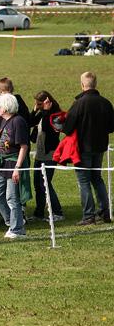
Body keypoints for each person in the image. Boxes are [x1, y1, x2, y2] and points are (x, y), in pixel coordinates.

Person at [62, 72, 114, 225]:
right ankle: (105, 212)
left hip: (83, 148)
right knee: (97, 178)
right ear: (95, 84)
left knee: (83, 181)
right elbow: (111, 126)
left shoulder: (79, 103)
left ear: (82, 84)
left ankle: (88, 215)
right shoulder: (106, 103)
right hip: (100, 146)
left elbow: (68, 128)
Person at [0, 93, 30, 239]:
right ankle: (11, 221)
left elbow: (23, 147)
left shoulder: (18, 121)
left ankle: (18, 229)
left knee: (12, 197)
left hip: (13, 163)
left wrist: (17, 168)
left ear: (5, 107)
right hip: (2, 163)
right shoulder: (4, 121)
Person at [28, 90, 64, 222]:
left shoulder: (56, 115)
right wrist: (35, 109)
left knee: (46, 183)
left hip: (50, 154)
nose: (38, 105)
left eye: (39, 103)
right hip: (40, 153)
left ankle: (58, 212)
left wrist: (46, 112)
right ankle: (39, 213)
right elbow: (30, 122)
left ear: (47, 102)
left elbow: (52, 132)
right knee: (38, 184)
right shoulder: (42, 113)